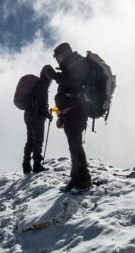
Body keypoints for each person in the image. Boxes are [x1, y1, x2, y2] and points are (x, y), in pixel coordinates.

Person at [43, 42, 93, 194]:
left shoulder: (78, 63)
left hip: (77, 112)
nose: (56, 59)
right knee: (73, 147)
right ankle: (75, 178)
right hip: (68, 114)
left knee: (76, 146)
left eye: (57, 56)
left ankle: (84, 181)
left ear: (64, 54)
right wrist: (60, 116)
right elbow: (62, 95)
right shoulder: (67, 68)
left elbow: (73, 81)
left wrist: (54, 75)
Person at [22, 66, 53, 174]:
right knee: (38, 141)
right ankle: (37, 166)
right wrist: (49, 116)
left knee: (30, 139)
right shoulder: (43, 86)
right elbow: (42, 106)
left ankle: (26, 165)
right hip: (36, 116)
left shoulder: (36, 84)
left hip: (27, 114)